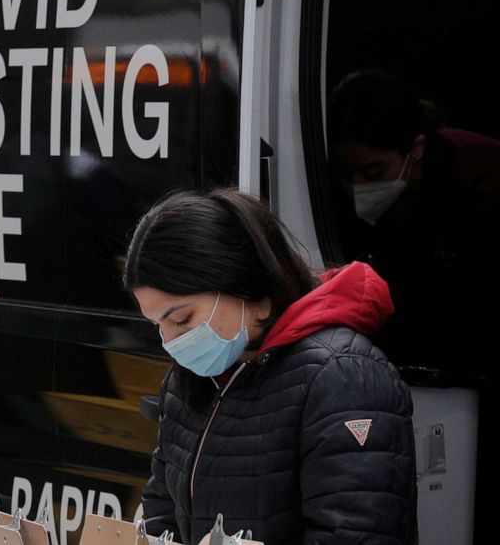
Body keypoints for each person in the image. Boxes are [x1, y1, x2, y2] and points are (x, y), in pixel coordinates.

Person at [125, 189, 417, 544]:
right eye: (158, 325)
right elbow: (161, 516)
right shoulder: (191, 381)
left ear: (245, 285)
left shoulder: (342, 375)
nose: (170, 341)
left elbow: (358, 532)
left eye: (183, 319)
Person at [327, 69, 500, 382]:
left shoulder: (482, 180)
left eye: (372, 171)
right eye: (347, 173)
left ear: (416, 149)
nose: (357, 186)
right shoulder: (390, 199)